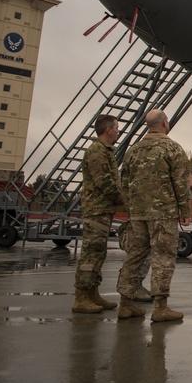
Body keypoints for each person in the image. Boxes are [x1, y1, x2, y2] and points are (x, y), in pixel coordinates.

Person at [116, 110, 191, 322]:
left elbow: (124, 183)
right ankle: (160, 308)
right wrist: (184, 211)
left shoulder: (133, 150)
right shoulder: (172, 148)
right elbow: (181, 182)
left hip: (138, 214)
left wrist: (131, 210)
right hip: (163, 213)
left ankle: (125, 304)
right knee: (163, 257)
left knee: (135, 256)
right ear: (165, 123)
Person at [72, 114, 126, 314]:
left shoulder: (104, 151)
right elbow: (104, 182)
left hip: (103, 209)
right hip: (97, 210)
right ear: (108, 130)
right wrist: (123, 201)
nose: (118, 131)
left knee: (98, 253)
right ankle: (81, 298)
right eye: (117, 128)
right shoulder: (97, 151)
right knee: (90, 254)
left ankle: (92, 293)